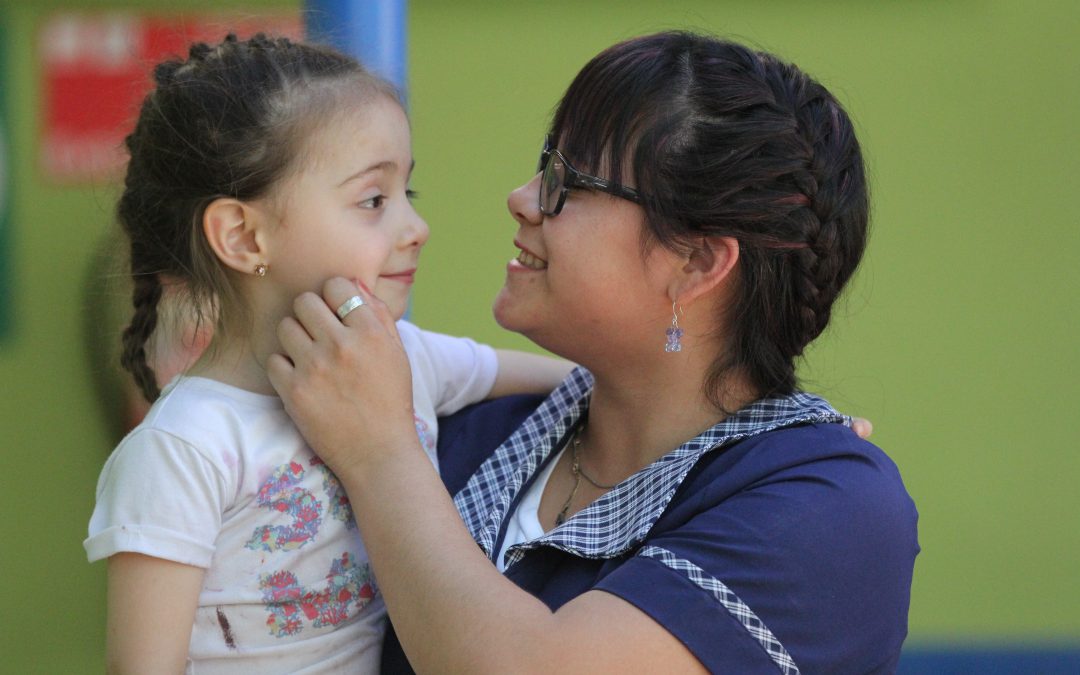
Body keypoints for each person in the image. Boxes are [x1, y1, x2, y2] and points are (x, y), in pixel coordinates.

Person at [268, 31, 919, 673]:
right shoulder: (465, 431)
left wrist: (381, 455)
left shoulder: (830, 505)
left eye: (565, 181)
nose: (521, 199)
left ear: (696, 262)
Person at [83, 34, 571, 673]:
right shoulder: (184, 449)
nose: (414, 228)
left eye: (408, 196)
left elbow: (582, 384)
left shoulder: (405, 360)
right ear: (243, 236)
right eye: (373, 201)